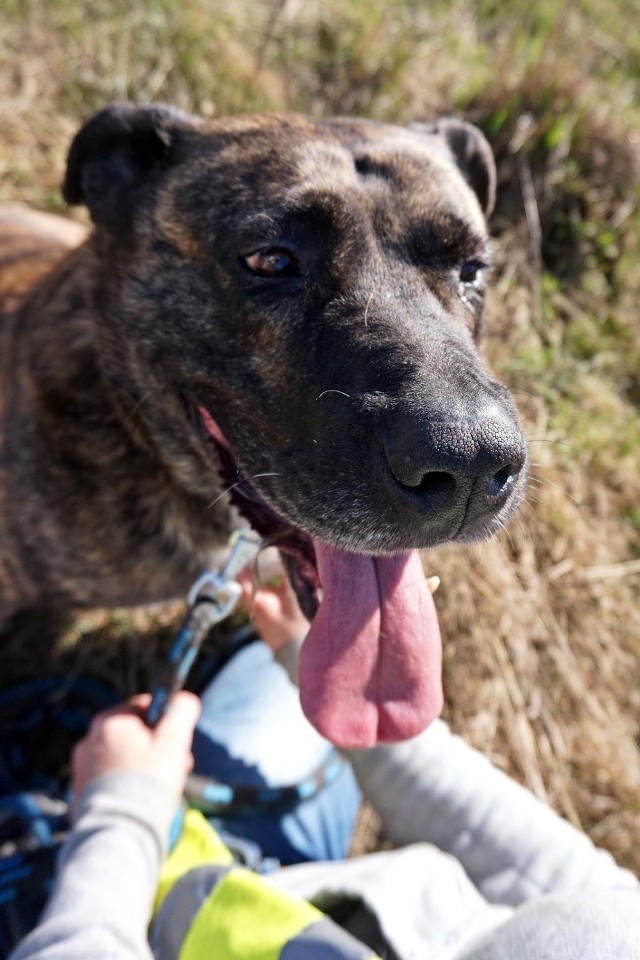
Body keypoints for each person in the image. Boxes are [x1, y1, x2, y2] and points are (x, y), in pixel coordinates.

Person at [8, 558, 640, 960]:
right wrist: (339, 678)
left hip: (116, 927)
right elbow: (539, 869)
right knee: (290, 677)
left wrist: (121, 810)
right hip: (293, 896)